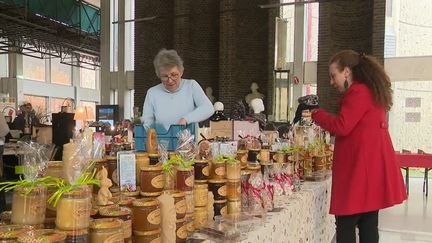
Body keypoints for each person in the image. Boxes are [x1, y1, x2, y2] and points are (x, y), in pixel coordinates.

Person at [311, 50, 407, 243]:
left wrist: (316, 114)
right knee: (368, 223)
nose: (332, 81)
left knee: (346, 224)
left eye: (333, 76)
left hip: (358, 173)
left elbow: (342, 126)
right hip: (369, 170)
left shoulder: (358, 92)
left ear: (346, 72)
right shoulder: (370, 91)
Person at [142, 49, 214, 131]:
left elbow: (208, 108)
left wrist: (186, 119)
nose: (170, 80)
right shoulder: (152, 93)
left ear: (181, 72)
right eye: (165, 76)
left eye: (174, 75)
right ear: (159, 75)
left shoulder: (191, 86)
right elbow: (147, 124)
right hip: (162, 141)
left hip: (189, 141)